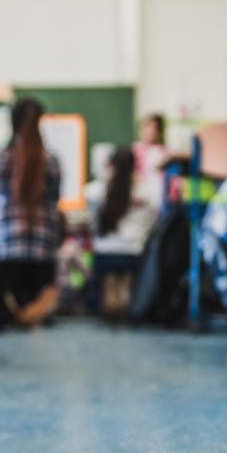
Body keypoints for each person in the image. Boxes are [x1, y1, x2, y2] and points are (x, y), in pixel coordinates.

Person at [0, 97, 61, 326]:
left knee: (6, 317)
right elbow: (55, 200)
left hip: (6, 251)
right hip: (43, 252)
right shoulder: (51, 161)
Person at [85, 146, 162, 316]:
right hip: (133, 253)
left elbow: (89, 211)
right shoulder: (145, 191)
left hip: (104, 255)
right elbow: (154, 220)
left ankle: (110, 294)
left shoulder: (97, 191)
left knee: (108, 263)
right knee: (132, 261)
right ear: (135, 166)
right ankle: (125, 294)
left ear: (110, 166)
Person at [132, 113, 168, 182]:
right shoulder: (135, 149)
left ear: (160, 132)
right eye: (146, 127)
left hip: (156, 185)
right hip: (140, 185)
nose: (150, 131)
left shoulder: (164, 150)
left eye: (154, 128)